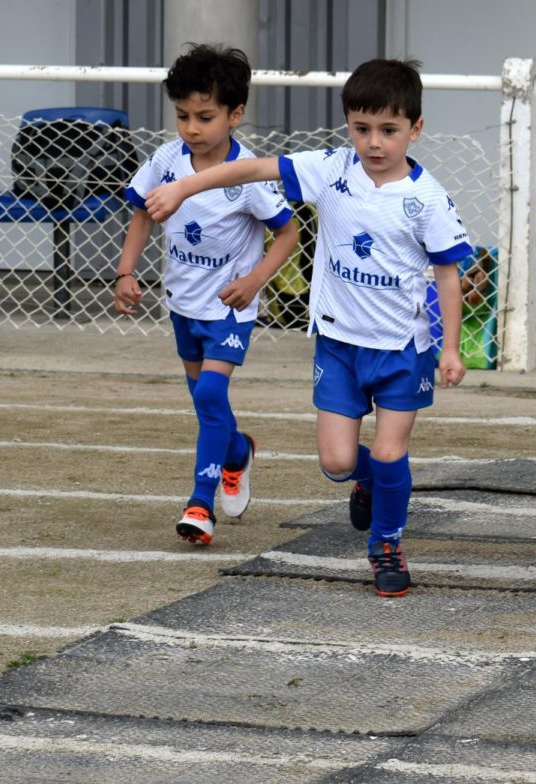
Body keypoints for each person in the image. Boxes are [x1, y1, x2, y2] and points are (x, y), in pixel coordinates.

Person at [144, 58, 472, 597]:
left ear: (415, 129)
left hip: (401, 351)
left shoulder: (427, 200)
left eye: (389, 131)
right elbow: (251, 171)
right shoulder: (332, 169)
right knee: (337, 462)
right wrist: (186, 188)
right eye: (361, 128)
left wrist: (451, 347)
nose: (373, 142)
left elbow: (447, 274)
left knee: (392, 452)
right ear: (348, 124)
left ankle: (386, 544)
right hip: (339, 345)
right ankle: (369, 482)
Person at [114, 44, 299, 546]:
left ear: (235, 115)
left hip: (229, 308)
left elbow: (289, 234)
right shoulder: (165, 161)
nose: (191, 127)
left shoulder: (249, 176)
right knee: (206, 404)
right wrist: (126, 272)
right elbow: (141, 213)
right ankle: (237, 451)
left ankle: (200, 503)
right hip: (183, 304)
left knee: (213, 393)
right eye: (182, 116)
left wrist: (254, 280)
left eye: (205, 116)